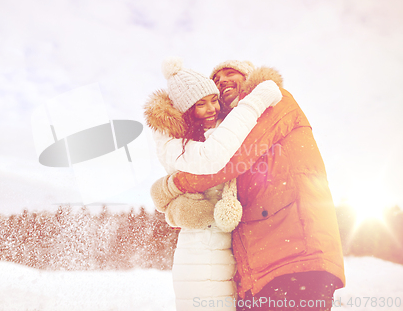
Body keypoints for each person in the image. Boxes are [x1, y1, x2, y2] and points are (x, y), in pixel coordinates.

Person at [151, 60, 346, 311]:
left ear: (249, 75)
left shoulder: (273, 100)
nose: (222, 81)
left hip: (296, 255)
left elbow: (229, 161)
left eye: (230, 73)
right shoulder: (230, 128)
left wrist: (172, 186)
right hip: (258, 270)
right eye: (216, 81)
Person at [145, 57, 282, 310]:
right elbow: (213, 158)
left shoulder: (213, 129)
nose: (211, 109)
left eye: (213, 100)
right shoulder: (172, 144)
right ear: (187, 111)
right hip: (198, 248)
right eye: (201, 104)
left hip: (226, 245)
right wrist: (255, 102)